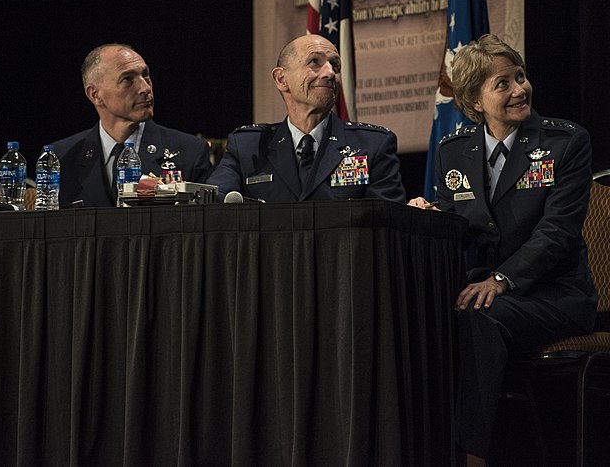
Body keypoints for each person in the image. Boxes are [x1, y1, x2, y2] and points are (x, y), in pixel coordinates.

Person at [408, 34, 597, 462]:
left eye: (521, 77)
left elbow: (558, 232)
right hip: (486, 290)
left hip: (556, 293)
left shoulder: (565, 142)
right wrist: (428, 216)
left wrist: (502, 279)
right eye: (503, 83)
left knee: (478, 318)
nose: (519, 90)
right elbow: (462, 226)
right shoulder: (452, 150)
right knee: (412, 316)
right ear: (474, 99)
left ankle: (470, 456)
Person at [207, 34, 405, 203]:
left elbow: (386, 224)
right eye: (314, 62)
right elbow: (211, 203)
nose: (330, 73)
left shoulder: (373, 145)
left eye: (335, 66)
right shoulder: (247, 146)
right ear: (281, 79)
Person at [50, 43, 213, 207]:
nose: (145, 87)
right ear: (95, 94)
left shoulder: (191, 153)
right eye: (127, 79)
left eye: (146, 75)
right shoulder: (61, 158)